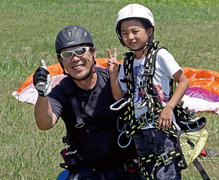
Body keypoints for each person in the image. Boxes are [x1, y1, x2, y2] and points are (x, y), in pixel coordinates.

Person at [33, 25, 139, 180]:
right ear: (60, 61)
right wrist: (42, 93)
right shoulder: (62, 91)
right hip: (87, 171)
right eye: (67, 54)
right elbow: (45, 123)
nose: (75, 59)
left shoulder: (114, 80)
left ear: (93, 53)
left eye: (81, 51)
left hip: (126, 169)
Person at [107, 4, 189, 180]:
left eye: (135, 31)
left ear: (149, 31)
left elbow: (183, 81)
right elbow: (118, 96)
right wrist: (113, 74)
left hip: (163, 128)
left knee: (166, 173)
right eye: (124, 33)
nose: (130, 37)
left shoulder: (160, 56)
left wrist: (168, 108)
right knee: (147, 173)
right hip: (140, 130)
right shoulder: (127, 63)